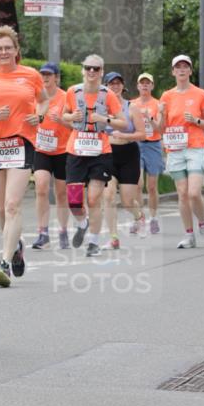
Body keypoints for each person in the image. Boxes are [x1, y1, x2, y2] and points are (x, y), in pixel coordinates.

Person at [0, 27, 48, 287]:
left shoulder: (30, 75)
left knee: (12, 205)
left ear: (16, 51)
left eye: (8, 47)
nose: (4, 52)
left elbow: (43, 101)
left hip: (21, 142)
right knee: (0, 208)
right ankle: (16, 245)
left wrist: (39, 115)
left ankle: (5, 262)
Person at [61, 55, 127, 257]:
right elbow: (64, 116)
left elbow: (122, 123)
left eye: (96, 69)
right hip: (76, 150)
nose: (91, 72)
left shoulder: (108, 95)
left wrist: (103, 118)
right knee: (73, 201)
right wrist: (72, 117)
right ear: (83, 70)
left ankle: (94, 242)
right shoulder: (73, 92)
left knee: (93, 199)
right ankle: (82, 223)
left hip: (100, 150)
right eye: (88, 68)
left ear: (101, 72)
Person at [159, 55, 204, 248]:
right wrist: (159, 114)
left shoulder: (200, 94)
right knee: (182, 193)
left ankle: (203, 225)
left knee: (193, 192)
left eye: (185, 67)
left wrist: (196, 120)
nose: (182, 70)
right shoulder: (167, 96)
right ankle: (189, 235)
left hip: (196, 146)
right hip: (175, 149)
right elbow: (161, 128)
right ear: (173, 71)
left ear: (190, 71)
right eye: (178, 67)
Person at [102, 71, 146, 250]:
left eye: (118, 83)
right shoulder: (100, 109)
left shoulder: (131, 107)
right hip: (108, 154)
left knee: (128, 200)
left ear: (123, 86)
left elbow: (142, 134)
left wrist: (126, 135)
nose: (115, 86)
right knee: (109, 195)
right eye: (111, 83)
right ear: (105, 87)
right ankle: (113, 238)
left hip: (129, 154)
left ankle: (139, 217)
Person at [31, 62, 70, 250]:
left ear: (56, 77)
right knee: (41, 188)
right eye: (42, 75)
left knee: (62, 194)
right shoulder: (35, 98)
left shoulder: (66, 97)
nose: (45, 78)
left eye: (49, 75)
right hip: (41, 149)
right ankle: (43, 233)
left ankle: (63, 231)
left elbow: (75, 125)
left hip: (62, 150)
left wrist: (62, 121)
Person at [131, 72, 165, 233]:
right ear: (137, 86)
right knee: (137, 184)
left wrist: (149, 117)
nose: (144, 85)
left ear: (152, 86)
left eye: (147, 83)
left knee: (152, 186)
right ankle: (139, 218)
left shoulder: (157, 104)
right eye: (142, 83)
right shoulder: (132, 104)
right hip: (136, 145)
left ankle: (154, 218)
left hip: (153, 145)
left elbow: (159, 128)